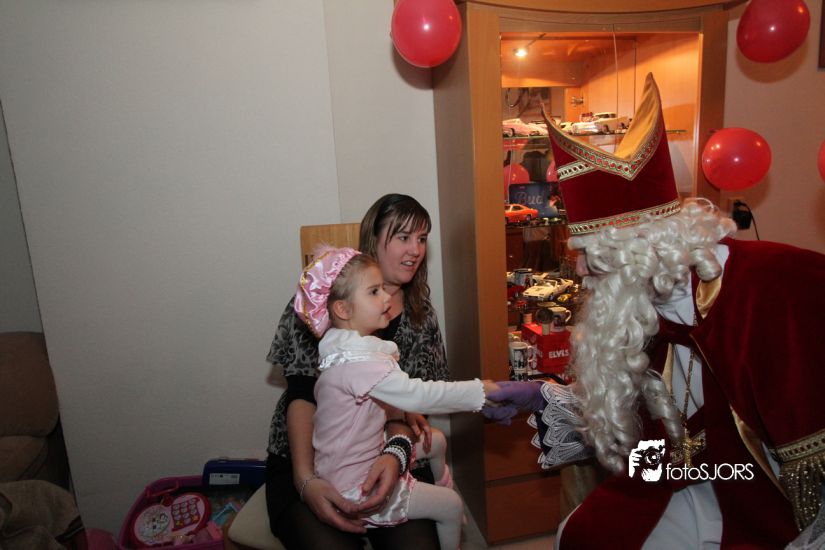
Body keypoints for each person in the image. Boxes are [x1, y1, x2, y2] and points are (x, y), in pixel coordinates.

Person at [484, 74, 825, 548]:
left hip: (772, 495)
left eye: (592, 256)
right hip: (690, 475)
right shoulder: (647, 302)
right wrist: (542, 395)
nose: (578, 270)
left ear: (640, 252)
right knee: (581, 536)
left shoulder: (777, 286)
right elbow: (640, 409)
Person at [265, 194, 452, 549]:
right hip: (309, 457)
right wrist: (305, 482)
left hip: (387, 455)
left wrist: (395, 453)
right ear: (373, 238)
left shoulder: (421, 316)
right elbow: (302, 394)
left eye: (422, 238)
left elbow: (411, 404)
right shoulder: (321, 298)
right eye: (403, 237)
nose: (415, 250)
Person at [294, 246, 496, 549]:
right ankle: (444, 506)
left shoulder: (344, 350)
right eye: (374, 292)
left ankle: (440, 483)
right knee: (452, 505)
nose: (387, 297)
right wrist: (480, 391)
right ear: (343, 310)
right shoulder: (359, 363)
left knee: (437, 441)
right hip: (357, 485)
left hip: (351, 460)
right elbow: (420, 394)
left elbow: (368, 403)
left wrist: (400, 409)